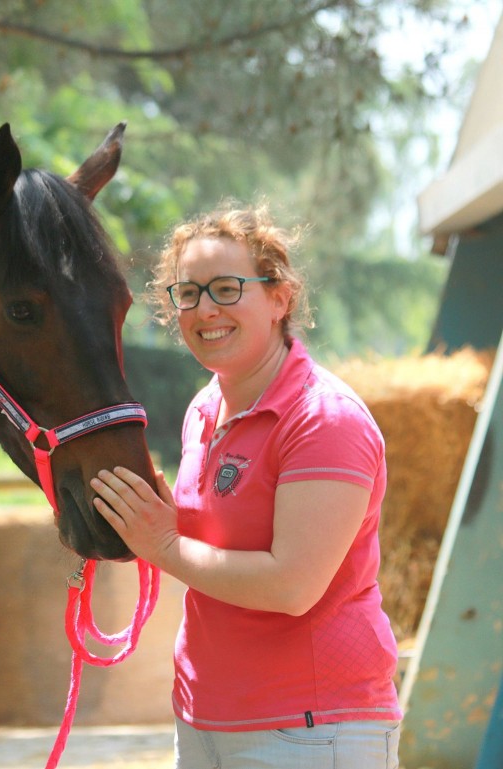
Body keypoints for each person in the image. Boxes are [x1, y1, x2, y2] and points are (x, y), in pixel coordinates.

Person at [90, 202, 402, 767]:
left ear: (280, 297)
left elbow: (292, 586)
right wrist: (148, 517)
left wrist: (162, 543)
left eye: (227, 289)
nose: (205, 308)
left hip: (311, 730)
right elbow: (214, 541)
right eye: (187, 293)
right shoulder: (205, 407)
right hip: (204, 718)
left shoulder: (323, 418)